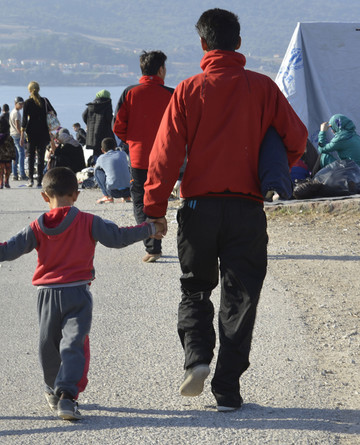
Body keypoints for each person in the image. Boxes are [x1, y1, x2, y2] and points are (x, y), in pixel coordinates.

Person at [143, 8, 307, 412]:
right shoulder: (264, 88)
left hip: (199, 207)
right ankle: (228, 389)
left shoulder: (188, 89)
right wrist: (271, 164)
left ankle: (197, 358)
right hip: (247, 209)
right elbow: (298, 139)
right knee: (241, 295)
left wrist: (154, 208)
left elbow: (165, 155)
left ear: (203, 44)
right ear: (238, 42)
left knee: (195, 288)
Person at [0, 167, 164, 421]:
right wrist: (149, 229)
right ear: (77, 195)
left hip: (46, 296)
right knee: (73, 344)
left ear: (45, 197)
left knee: (48, 345)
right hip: (78, 294)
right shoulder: (90, 222)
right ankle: (67, 396)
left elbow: (8, 250)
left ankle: (55, 391)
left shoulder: (37, 227)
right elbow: (118, 237)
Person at [113, 50, 173, 263]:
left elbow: (118, 126)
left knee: (140, 202)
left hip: (139, 158)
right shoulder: (171, 94)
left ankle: (152, 246)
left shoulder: (130, 92)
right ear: (161, 70)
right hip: (166, 158)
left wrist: (133, 141)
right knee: (160, 199)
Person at [20, 81, 56, 188]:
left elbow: (24, 120)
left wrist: (22, 134)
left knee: (31, 156)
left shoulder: (27, 102)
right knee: (41, 157)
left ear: (29, 90)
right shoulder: (45, 101)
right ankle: (40, 181)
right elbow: (54, 113)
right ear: (38, 89)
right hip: (43, 132)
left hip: (31, 132)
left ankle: (31, 179)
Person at [94, 138, 131, 204]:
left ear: (102, 150)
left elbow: (95, 169)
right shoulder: (123, 154)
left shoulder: (101, 158)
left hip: (113, 192)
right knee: (125, 168)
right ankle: (126, 197)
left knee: (97, 171)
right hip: (129, 190)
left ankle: (107, 196)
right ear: (115, 147)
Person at [82, 90, 115, 164]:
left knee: (95, 151)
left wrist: (89, 124)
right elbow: (109, 118)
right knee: (106, 151)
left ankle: (96, 166)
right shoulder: (107, 104)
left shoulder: (91, 105)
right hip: (104, 132)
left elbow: (84, 115)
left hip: (92, 134)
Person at [0, 104, 17, 189]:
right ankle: (6, 181)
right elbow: (12, 147)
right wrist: (14, 156)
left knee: (0, 169)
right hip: (8, 156)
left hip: (0, 156)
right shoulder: (9, 137)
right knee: (8, 169)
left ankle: (0, 183)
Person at [10, 96, 27, 181]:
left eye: (22, 104)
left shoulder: (12, 112)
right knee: (21, 154)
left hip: (12, 134)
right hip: (17, 135)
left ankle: (15, 174)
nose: (21, 106)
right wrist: (22, 136)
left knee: (15, 155)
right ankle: (22, 174)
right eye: (20, 104)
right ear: (15, 104)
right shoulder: (17, 113)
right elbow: (17, 126)